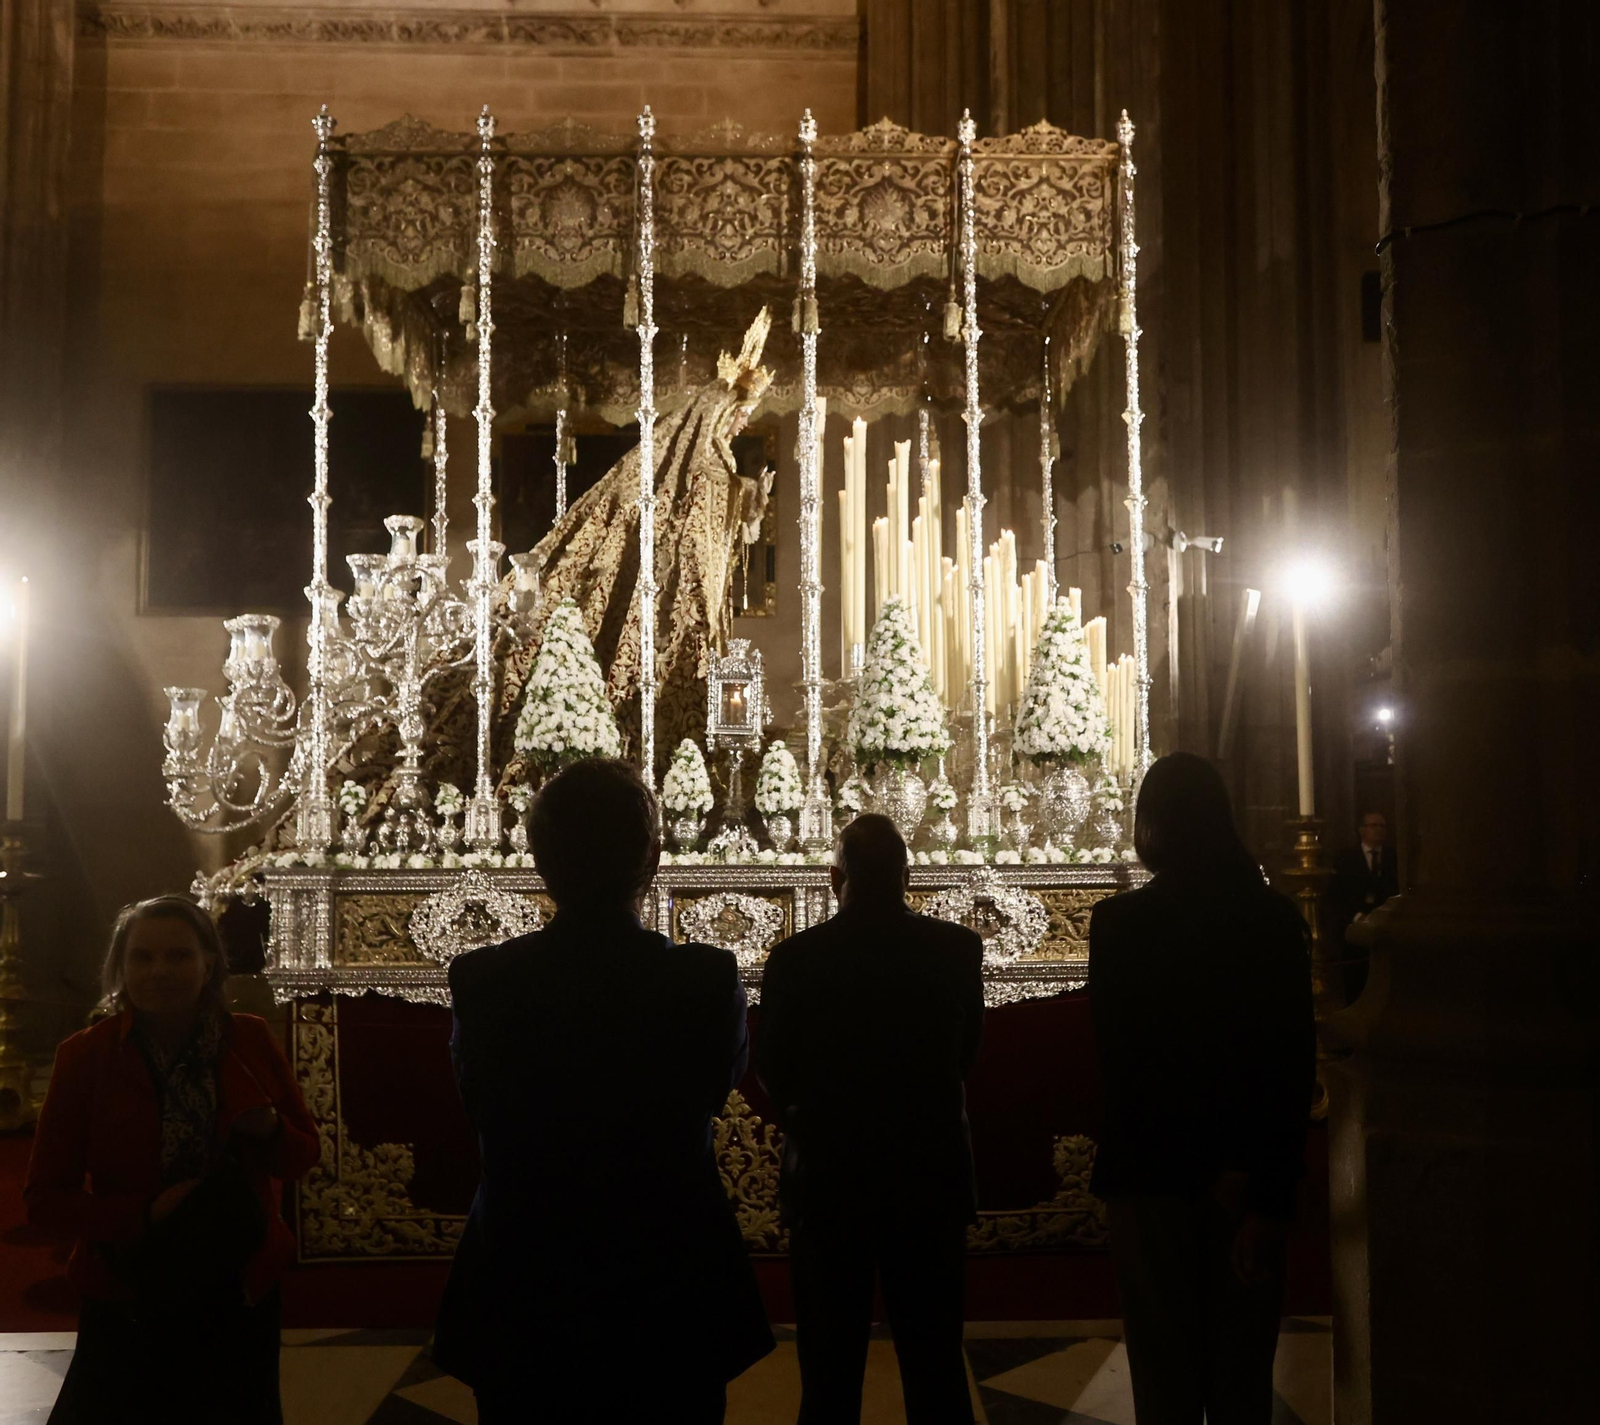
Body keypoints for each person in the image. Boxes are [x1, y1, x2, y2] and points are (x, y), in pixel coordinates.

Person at [434, 758, 772, 1423]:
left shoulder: (485, 980)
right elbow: (715, 1085)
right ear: (651, 854)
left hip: (525, 1273)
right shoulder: (702, 979)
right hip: (668, 1272)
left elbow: (478, 1099)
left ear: (538, 856)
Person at [26, 895, 319, 1425]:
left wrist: (272, 1126)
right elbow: (45, 1200)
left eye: (179, 956)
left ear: (210, 963)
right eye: (143, 957)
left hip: (237, 1282)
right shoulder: (86, 1056)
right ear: (119, 968)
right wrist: (146, 1214)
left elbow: (300, 1158)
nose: (160, 971)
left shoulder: (247, 1038)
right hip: (128, 1286)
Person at [1087, 752, 1315, 1425]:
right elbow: (1288, 1064)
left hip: (1151, 1179)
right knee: (1243, 1380)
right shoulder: (1272, 921)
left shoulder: (1121, 925)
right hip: (1246, 1187)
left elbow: (1123, 1063)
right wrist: (1252, 1179)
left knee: (1165, 1382)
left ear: (1152, 826)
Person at [758, 813, 985, 1425]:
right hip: (928, 1171)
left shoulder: (796, 958)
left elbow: (773, 1066)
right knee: (935, 1363)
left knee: (829, 1373)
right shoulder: (956, 949)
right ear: (907, 877)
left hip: (831, 1176)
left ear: (836, 878)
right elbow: (964, 1053)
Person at [1325, 810, 1399, 1000]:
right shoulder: (1345, 858)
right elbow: (1337, 895)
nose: (1379, 830)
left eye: (1383, 826)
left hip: (1386, 929)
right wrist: (1357, 916)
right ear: (1362, 830)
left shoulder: (1394, 857)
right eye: (1374, 826)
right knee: (1355, 984)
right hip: (1353, 930)